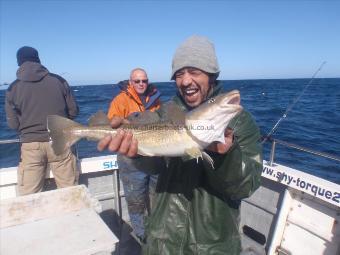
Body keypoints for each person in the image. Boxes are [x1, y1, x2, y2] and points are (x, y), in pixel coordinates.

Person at [98, 36, 263, 254]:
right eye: (179, 74)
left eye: (194, 72)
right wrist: (137, 155)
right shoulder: (164, 113)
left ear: (212, 75)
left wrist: (226, 156)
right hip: (162, 241)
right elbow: (154, 168)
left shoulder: (240, 122)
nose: (185, 81)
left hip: (213, 245)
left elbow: (244, 187)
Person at [5, 46, 79, 196]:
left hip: (31, 145)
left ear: (19, 62)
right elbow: (74, 111)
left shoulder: (13, 88)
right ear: (38, 59)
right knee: (69, 192)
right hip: (59, 141)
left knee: (29, 196)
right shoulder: (59, 81)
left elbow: (13, 124)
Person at [107, 68, 161, 243]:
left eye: (144, 80)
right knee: (136, 200)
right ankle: (141, 236)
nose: (141, 84)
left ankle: (157, 230)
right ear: (130, 82)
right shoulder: (120, 100)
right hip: (130, 161)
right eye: (137, 81)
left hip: (153, 157)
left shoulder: (155, 98)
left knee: (157, 196)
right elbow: (111, 125)